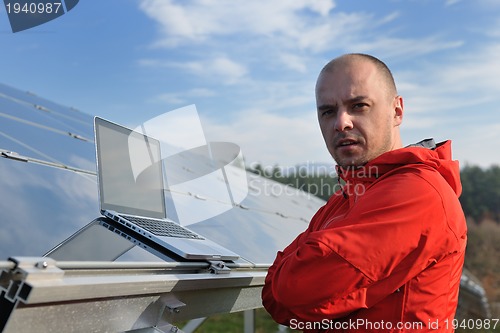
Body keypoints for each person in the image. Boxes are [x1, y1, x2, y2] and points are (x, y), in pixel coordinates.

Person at [261, 53, 467, 332]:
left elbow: (289, 291)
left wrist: (289, 274)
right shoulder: (346, 197)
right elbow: (281, 300)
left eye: (358, 105)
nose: (341, 123)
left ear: (397, 111)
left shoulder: (418, 193)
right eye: (327, 111)